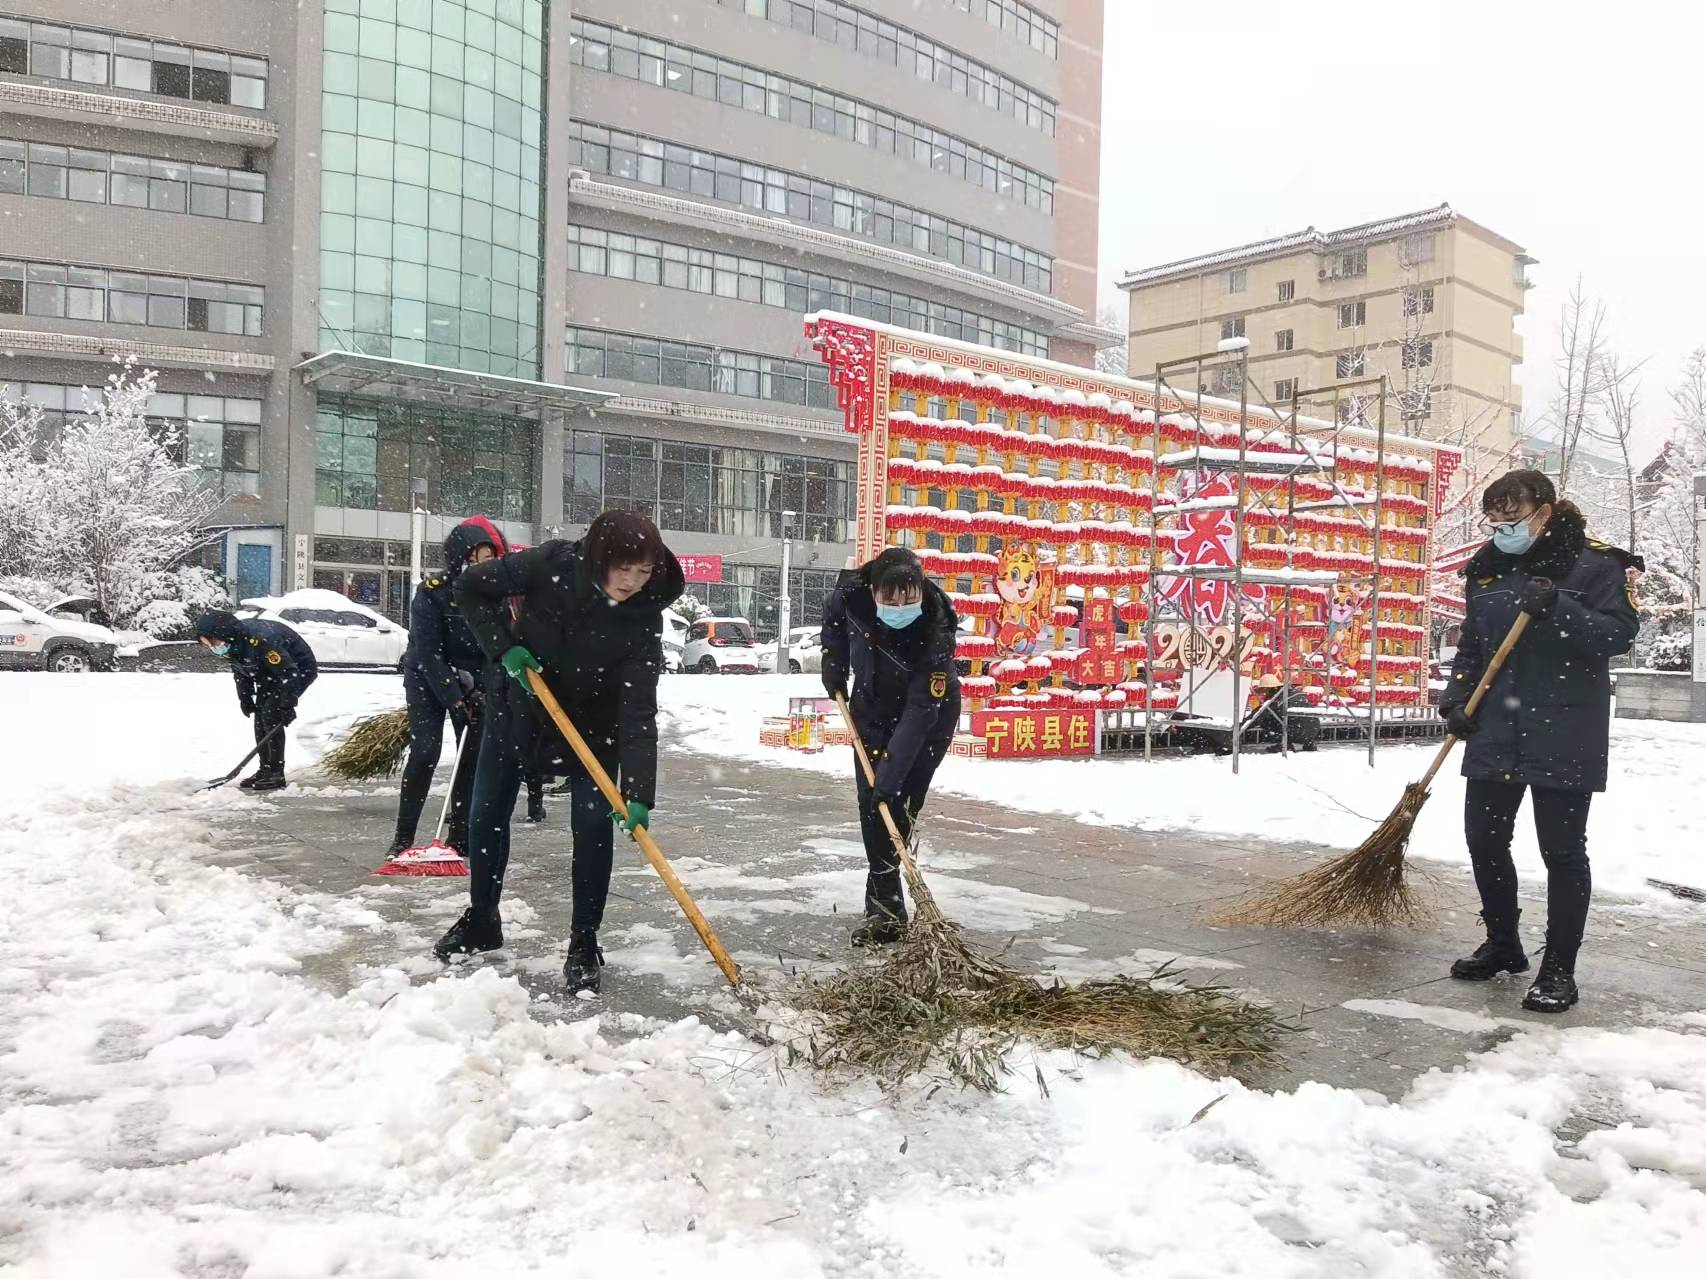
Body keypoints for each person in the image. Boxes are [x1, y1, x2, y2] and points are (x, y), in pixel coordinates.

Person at [438, 510, 684, 993]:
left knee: (593, 827)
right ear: (598, 558)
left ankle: (583, 940)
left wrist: (637, 792)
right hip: (519, 707)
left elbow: (638, 711)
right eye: (623, 569)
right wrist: (503, 647)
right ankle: (483, 918)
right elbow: (470, 588)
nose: (632, 583)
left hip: (594, 728)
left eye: (643, 572)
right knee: (486, 813)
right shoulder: (550, 565)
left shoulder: (642, 617)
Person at [1440, 470, 1640, 1013]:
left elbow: (1618, 635)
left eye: (1514, 515)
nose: (1503, 527)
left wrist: (1560, 607)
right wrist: (1456, 700)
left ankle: (1559, 971)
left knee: (1562, 853)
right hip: (1495, 729)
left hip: (1564, 729)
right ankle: (1504, 944)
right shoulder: (1487, 570)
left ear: (1545, 511)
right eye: (1495, 517)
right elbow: (1473, 646)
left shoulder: (1598, 564)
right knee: (1484, 841)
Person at [821, 546, 961, 945]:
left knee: (897, 805)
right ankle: (886, 908)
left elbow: (920, 712)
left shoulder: (935, 629)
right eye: (891, 598)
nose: (901, 606)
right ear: (873, 589)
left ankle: (885, 905)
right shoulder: (851, 594)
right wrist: (834, 668)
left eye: (910, 597)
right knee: (872, 807)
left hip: (929, 718)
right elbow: (832, 622)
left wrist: (891, 775)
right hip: (869, 709)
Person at [387, 517, 506, 857]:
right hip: (428, 678)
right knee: (426, 751)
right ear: (459, 560)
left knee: (471, 755)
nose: (484, 567)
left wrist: (482, 689)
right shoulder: (432, 593)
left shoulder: (494, 597)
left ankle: (460, 833)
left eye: (489, 560)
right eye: (476, 560)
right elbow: (428, 653)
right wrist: (454, 697)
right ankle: (403, 836)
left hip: (474, 684)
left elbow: (493, 647)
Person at [194, 609, 319, 790]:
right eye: (208, 644)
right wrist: (245, 699)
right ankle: (265, 769)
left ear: (225, 634)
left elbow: (289, 674)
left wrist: (287, 705)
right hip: (268, 673)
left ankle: (276, 773)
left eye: (214, 642)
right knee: (260, 717)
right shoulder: (234, 644)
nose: (213, 647)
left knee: (271, 715)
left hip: (297, 670)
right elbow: (241, 672)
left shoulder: (260, 640)